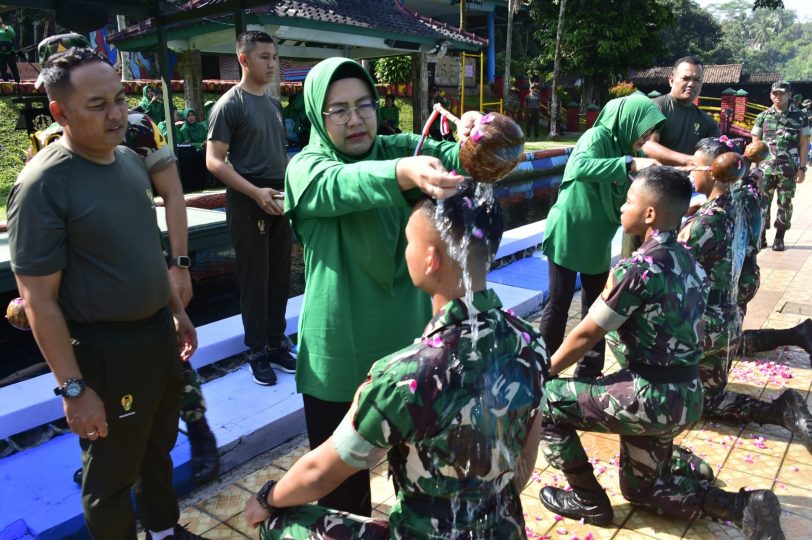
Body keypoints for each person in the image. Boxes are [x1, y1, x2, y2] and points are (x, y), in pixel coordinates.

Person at [244, 185, 550, 539]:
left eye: (409, 241)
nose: (406, 250)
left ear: (431, 259)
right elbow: (524, 463)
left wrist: (266, 498)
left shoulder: (406, 377)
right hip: (504, 530)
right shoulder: (530, 341)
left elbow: (321, 472)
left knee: (275, 519)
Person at [6, 47, 202, 540]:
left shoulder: (130, 164)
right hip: (105, 351)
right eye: (98, 104)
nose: (117, 113)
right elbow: (38, 300)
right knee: (112, 474)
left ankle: (163, 530)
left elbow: (146, 249)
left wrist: (176, 311)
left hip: (155, 336)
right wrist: (74, 391)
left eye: (120, 98)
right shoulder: (45, 183)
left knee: (158, 448)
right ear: (60, 112)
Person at [537, 166, 785, 539]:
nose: (622, 208)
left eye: (629, 201)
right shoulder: (689, 260)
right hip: (687, 395)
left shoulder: (637, 268)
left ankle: (588, 499)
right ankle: (741, 505)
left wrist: (545, 371)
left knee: (544, 402)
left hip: (650, 398)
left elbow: (586, 333)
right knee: (640, 491)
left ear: (649, 214)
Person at [282, 57, 483, 516]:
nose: (355, 119)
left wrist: (474, 133)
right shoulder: (307, 170)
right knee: (342, 492)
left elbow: (465, 158)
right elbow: (344, 184)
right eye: (338, 110)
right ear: (316, 114)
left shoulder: (395, 148)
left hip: (408, 354)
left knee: (416, 475)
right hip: (339, 354)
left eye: (363, 105)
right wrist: (404, 174)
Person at [678, 137, 812, 452]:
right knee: (708, 398)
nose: (691, 172)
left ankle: (656, 378)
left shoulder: (705, 222)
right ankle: (781, 410)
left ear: (713, 172)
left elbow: (663, 264)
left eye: (695, 165)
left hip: (703, 324)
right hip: (728, 315)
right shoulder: (741, 199)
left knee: (623, 328)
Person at [539, 93, 663, 379]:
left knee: (598, 307)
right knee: (558, 303)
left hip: (598, 236)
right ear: (629, 122)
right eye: (642, 134)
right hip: (570, 230)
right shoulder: (597, 136)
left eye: (647, 136)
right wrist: (628, 164)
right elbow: (579, 166)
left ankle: (589, 370)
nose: (644, 141)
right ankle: (543, 368)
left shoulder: (629, 148)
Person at [206, 31, 296, 386]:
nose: (272, 64)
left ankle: (276, 342)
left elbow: (278, 155)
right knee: (254, 279)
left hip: (277, 198)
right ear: (243, 59)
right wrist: (255, 192)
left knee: (279, 275)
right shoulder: (230, 104)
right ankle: (256, 350)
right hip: (248, 199)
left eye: (274, 57)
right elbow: (214, 161)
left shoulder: (272, 104)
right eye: (264, 57)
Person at [752, 80, 810, 251]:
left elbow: (804, 143)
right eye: (775, 93)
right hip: (765, 169)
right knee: (762, 202)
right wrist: (754, 166)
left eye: (782, 93)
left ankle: (779, 237)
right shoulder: (763, 117)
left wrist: (802, 168)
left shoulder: (800, 117)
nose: (778, 96)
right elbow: (755, 144)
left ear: (789, 95)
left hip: (788, 169)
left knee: (785, 203)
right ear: (771, 95)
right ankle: (761, 235)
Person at [642, 56, 720, 166]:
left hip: (690, 180)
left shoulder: (707, 121)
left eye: (697, 80)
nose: (692, 84)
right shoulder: (656, 107)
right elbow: (647, 146)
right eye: (686, 78)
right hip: (658, 179)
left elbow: (719, 153)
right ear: (671, 80)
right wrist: (689, 161)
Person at [0, 15, 19, 84]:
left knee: (14, 68)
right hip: (1, 53)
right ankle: (6, 84)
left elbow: (12, 35)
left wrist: (4, 27)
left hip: (10, 52)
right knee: (2, 69)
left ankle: (18, 83)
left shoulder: (8, 27)